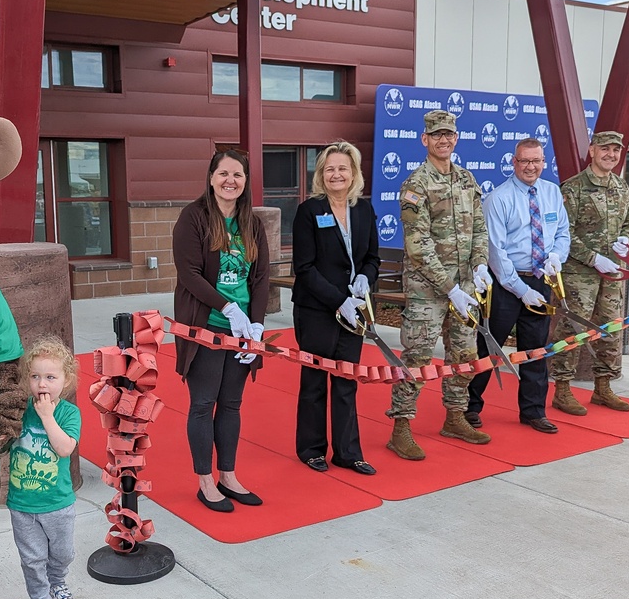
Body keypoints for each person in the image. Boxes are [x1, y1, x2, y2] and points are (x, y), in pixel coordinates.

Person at [385, 110, 492, 461]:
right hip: (428, 290)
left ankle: (455, 417)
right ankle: (401, 428)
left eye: (449, 134)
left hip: (464, 288)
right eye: (437, 135)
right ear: (425, 140)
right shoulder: (416, 185)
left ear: (456, 138)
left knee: (465, 355)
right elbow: (418, 246)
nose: (444, 140)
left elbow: (479, 226)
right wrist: (450, 288)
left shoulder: (466, 179)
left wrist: (479, 265)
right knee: (417, 357)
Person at [173, 149, 270, 512]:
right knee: (203, 404)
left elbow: (260, 279)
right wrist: (226, 307)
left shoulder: (252, 224)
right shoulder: (193, 217)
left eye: (238, 175)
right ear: (211, 176)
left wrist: (256, 323)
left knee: (231, 404)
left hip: (243, 332)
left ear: (246, 182)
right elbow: (189, 274)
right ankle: (205, 481)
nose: (231, 181)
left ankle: (228, 475)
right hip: (207, 327)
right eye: (224, 173)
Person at [466, 138, 570, 434]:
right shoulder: (499, 198)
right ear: (514, 162)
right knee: (488, 348)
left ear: (543, 162)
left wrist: (556, 257)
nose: (530, 167)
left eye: (536, 161)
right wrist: (521, 291)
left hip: (541, 279)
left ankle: (533, 411)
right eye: (524, 161)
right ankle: (469, 408)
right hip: (505, 285)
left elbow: (562, 232)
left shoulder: (552, 193)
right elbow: (496, 252)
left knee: (536, 350)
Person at [291, 141, 381, 475]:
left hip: (354, 310)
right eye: (330, 169)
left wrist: (364, 283)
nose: (336, 174)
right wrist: (338, 299)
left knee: (347, 380)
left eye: (343, 168)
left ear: (354, 173)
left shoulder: (363, 210)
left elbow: (372, 258)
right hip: (316, 309)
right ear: (321, 174)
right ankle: (311, 449)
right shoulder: (309, 211)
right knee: (315, 379)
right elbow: (305, 267)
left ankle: (347, 452)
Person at [550, 130, 629, 414]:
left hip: (613, 273)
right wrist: (593, 258)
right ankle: (562, 390)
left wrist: (627, 239)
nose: (611, 154)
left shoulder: (621, 187)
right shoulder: (573, 188)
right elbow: (563, 234)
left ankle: (603, 387)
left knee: (611, 328)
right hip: (579, 274)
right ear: (592, 150)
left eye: (616, 150)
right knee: (573, 329)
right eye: (605, 149)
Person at [7, 336, 82, 599]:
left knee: (62, 553)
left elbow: (65, 448)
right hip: (23, 504)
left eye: (51, 377)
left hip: (58, 503)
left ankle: (58, 584)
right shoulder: (19, 408)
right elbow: (4, 443)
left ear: (66, 380)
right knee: (33, 558)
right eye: (36, 376)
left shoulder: (67, 413)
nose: (42, 384)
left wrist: (48, 418)